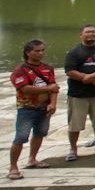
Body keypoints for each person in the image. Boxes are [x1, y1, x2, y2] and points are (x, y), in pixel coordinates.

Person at [9, 39, 58, 179]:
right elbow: (24, 88)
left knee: (40, 133)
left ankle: (32, 159)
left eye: (42, 50)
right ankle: (13, 166)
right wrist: (48, 88)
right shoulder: (20, 70)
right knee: (20, 137)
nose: (40, 53)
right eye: (37, 51)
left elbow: (54, 88)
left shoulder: (48, 68)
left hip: (44, 108)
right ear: (28, 53)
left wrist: (53, 103)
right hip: (26, 108)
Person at [63, 24, 95, 161]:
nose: (90, 34)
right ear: (81, 35)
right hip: (78, 94)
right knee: (75, 123)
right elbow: (70, 71)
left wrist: (93, 76)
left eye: (93, 32)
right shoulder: (74, 52)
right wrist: (89, 79)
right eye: (87, 32)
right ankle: (73, 148)